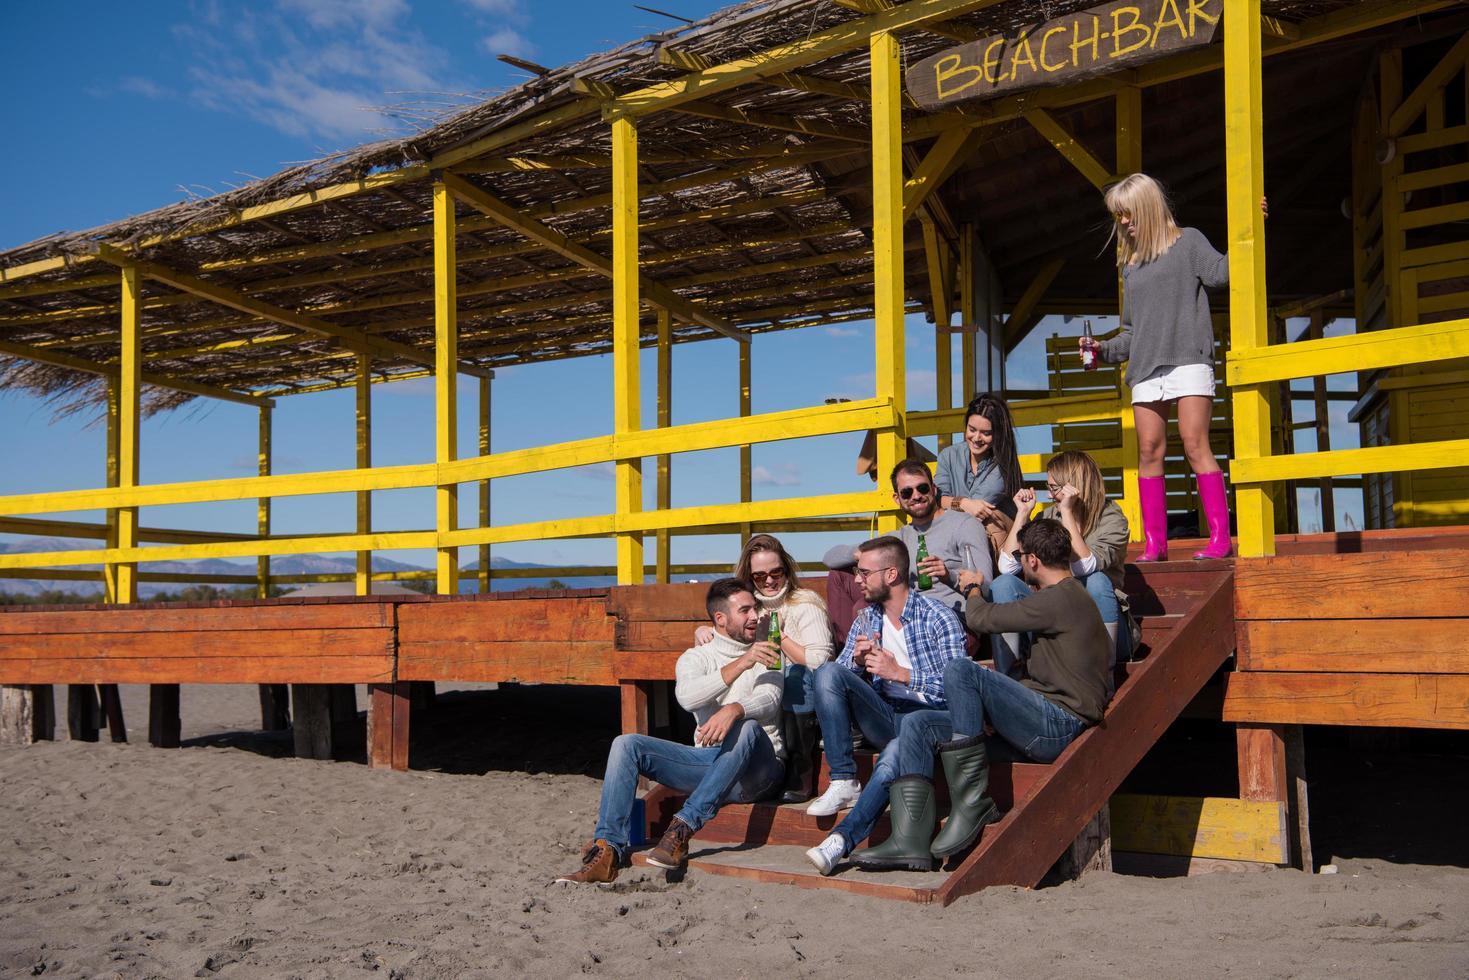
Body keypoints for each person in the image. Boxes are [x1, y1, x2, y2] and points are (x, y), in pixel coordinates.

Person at [845, 518, 1114, 872]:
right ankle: (908, 839)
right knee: (918, 723)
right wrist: (989, 712)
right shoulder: (1063, 597)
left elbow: (982, 618)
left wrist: (972, 587)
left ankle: (971, 801)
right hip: (1041, 716)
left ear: (1032, 560)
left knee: (961, 670)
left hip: (1059, 724)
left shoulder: (1060, 598)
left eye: (1021, 558)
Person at [1079, 173, 1265, 561]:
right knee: (1149, 450)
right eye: (1118, 216)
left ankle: (1219, 539)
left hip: (1188, 358)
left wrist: (1253, 230)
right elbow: (1131, 332)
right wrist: (1101, 348)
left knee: (1195, 442)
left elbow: (1223, 273)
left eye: (1128, 214)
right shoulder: (1129, 266)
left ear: (1147, 208)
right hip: (1147, 369)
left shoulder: (1189, 241)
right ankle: (1155, 544)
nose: (1123, 222)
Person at [556, 578, 784, 883]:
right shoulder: (696, 657)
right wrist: (742, 663)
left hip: (759, 769)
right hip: (711, 763)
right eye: (745, 610)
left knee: (747, 727)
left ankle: (681, 828)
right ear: (720, 618)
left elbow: (771, 699)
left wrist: (734, 710)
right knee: (626, 744)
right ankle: (608, 849)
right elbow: (687, 697)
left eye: (754, 608)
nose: (755, 616)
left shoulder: (768, 648)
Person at [801, 536, 969, 876]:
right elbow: (836, 683)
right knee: (830, 671)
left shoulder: (939, 618)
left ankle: (840, 841)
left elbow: (960, 692)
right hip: (887, 713)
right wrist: (859, 664)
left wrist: (902, 674)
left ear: (891, 574)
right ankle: (844, 778)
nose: (857, 580)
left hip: (931, 719)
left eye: (864, 573)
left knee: (894, 753)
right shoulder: (866, 618)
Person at [694, 534, 833, 803]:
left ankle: (800, 770)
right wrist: (704, 630)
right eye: (759, 576)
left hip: (803, 695)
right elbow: (728, 640)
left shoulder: (805, 603)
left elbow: (820, 663)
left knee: (794, 675)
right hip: (761, 692)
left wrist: (782, 637)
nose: (769, 581)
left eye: (776, 572)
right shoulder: (748, 607)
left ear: (786, 570)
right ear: (750, 576)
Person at [822, 460, 994, 651]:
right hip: (905, 620)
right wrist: (862, 553)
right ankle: (854, 656)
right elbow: (830, 558)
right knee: (840, 577)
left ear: (934, 489)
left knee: (866, 604)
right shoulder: (898, 538)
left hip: (952, 623)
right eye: (907, 492)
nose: (916, 496)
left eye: (922, 488)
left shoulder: (963, 525)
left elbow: (986, 586)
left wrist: (948, 576)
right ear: (897, 498)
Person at [994, 451, 1136, 668]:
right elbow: (1007, 566)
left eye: (1053, 488)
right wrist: (1022, 514)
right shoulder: (1050, 517)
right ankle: (1010, 675)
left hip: (1104, 627)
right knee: (1004, 584)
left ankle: (1106, 674)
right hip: (1060, 619)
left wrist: (1068, 513)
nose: (1049, 496)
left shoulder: (1110, 517)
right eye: (1048, 487)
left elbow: (1086, 566)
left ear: (1075, 485)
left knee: (1097, 580)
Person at [935, 393, 1024, 554]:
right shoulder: (947, 455)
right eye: (972, 429)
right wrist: (963, 503)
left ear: (998, 433)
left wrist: (952, 503)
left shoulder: (1004, 464)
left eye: (986, 433)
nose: (976, 438)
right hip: (961, 532)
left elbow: (978, 511)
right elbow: (938, 500)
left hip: (1004, 539)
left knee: (988, 518)